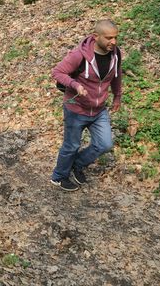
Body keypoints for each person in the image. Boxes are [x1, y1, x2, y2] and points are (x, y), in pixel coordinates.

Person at [50, 19, 122, 192]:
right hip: (77, 109)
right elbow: (57, 72)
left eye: (116, 38)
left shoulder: (116, 54)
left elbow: (117, 76)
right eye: (109, 38)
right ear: (96, 36)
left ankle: (77, 164)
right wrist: (75, 85)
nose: (113, 42)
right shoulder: (79, 55)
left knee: (104, 144)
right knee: (71, 146)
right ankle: (59, 177)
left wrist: (117, 97)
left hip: (99, 110)